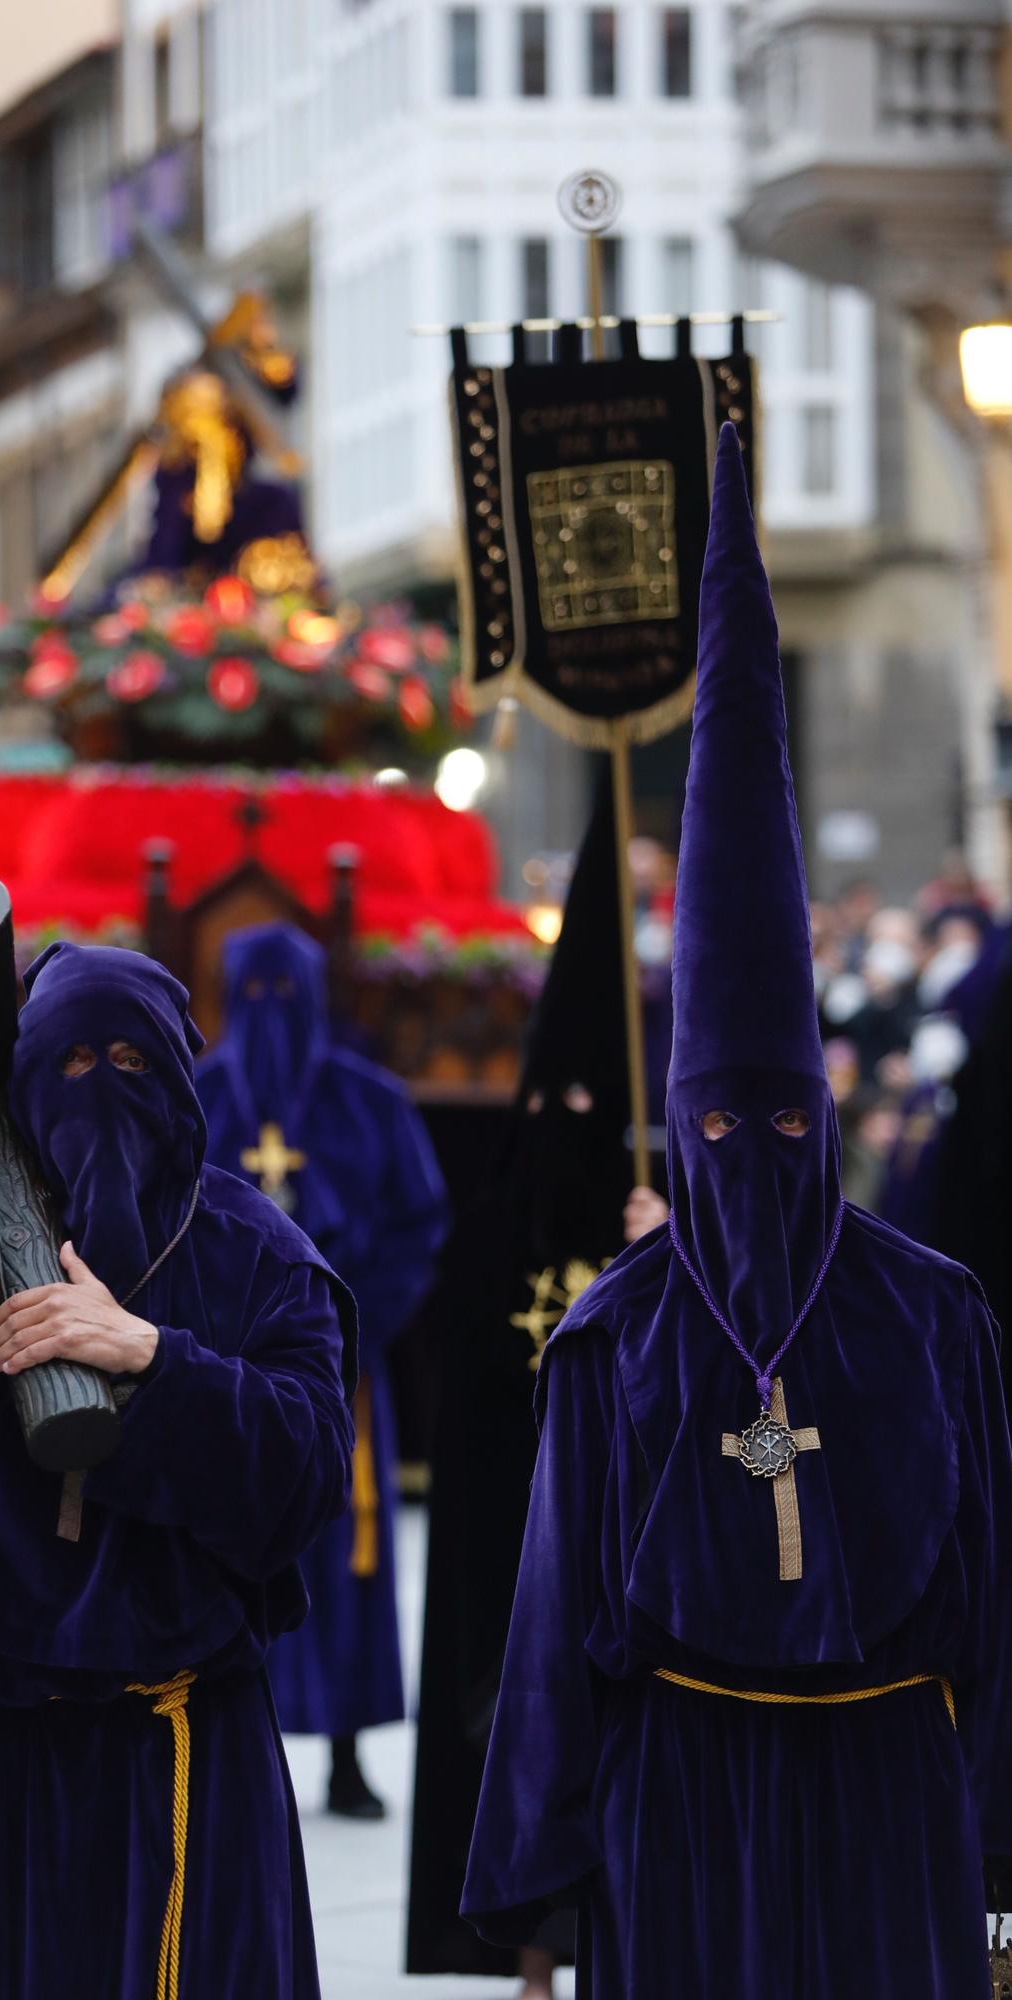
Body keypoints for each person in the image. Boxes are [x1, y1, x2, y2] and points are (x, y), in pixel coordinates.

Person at [461, 425, 1012, 1997]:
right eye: (721, 1124)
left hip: (891, 1795)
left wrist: (997, 1874)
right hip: (680, 1803)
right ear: (679, 1127)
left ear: (826, 1119)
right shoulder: (615, 1333)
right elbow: (557, 1606)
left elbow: (993, 1591)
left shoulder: (929, 1308)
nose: (755, 1150)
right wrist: (538, 1900)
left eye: (786, 1120)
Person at [0, 937, 356, 2000]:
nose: (102, 1092)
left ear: (181, 1079)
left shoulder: (255, 1252)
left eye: (132, 1063)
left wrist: (150, 1357)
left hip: (172, 1750)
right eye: (70, 1065)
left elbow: (306, 1472)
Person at [406, 762, 667, 2000]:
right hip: (509, 1524)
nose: (565, 1119)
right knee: (501, 1722)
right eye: (547, 1100)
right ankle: (522, 1954)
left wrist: (657, 1252)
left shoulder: (652, 1225)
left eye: (589, 1105)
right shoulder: (493, 1221)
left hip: (617, 1530)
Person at [196, 921, 447, 1817]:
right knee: (225, 1546)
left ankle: (347, 1751)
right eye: (251, 997)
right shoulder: (196, 1093)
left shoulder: (368, 1100)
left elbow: (419, 1220)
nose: (269, 1017)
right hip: (220, 1373)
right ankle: (233, 1741)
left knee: (350, 1553)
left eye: (285, 997)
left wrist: (348, 1327)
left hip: (346, 1376)